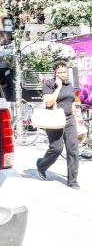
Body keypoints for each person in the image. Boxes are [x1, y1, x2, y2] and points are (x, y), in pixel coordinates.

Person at [36, 60, 80, 190]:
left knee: (73, 150)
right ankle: (42, 165)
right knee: (57, 148)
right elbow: (48, 103)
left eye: (64, 72)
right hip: (54, 119)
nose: (63, 75)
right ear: (55, 72)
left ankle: (72, 181)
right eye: (60, 73)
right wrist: (59, 87)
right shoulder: (49, 84)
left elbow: (72, 103)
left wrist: (77, 122)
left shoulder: (70, 84)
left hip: (69, 119)